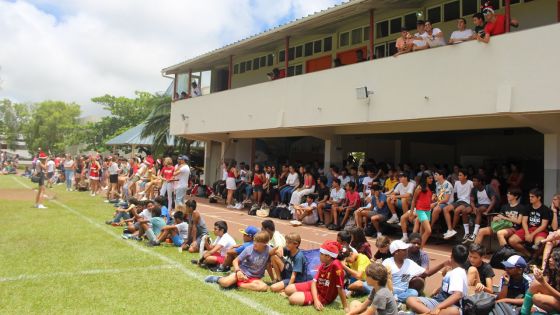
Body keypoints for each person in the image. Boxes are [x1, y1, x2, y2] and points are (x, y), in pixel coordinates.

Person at [284, 241, 348, 312]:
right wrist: (315, 299)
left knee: (292, 299)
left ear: (328, 257)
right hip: (316, 286)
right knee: (288, 289)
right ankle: (308, 294)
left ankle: (308, 294)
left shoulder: (336, 266)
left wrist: (345, 307)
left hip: (323, 295)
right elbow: (314, 282)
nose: (319, 255)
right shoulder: (324, 264)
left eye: (321, 254)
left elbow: (340, 288)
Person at [406, 245, 469, 315]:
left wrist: (438, 307)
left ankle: (424, 313)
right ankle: (430, 313)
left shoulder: (458, 272)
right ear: (466, 259)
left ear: (451, 256)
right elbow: (447, 288)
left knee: (454, 312)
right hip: (438, 301)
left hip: (451, 306)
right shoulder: (453, 271)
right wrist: (436, 292)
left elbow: (457, 295)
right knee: (410, 300)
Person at [206, 231, 274, 292]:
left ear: (265, 243)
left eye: (258, 242)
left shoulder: (269, 250)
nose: (254, 243)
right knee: (225, 283)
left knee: (264, 287)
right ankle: (217, 279)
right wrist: (238, 271)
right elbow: (235, 261)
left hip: (254, 278)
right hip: (242, 273)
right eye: (254, 241)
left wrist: (273, 280)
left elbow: (269, 264)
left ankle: (239, 285)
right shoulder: (249, 249)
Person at [508, 188, 551, 258]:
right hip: (528, 229)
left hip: (540, 230)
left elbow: (543, 226)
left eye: (532, 197)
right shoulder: (527, 207)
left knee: (539, 243)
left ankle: (535, 257)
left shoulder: (545, 209)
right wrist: (527, 233)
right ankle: (529, 255)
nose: (530, 198)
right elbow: (524, 222)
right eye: (529, 196)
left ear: (539, 198)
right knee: (512, 240)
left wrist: (532, 235)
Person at [521, 248, 560, 315]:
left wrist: (543, 282)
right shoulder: (554, 272)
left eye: (554, 259)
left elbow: (544, 284)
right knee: (536, 284)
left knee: (538, 298)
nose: (550, 260)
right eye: (550, 257)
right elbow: (542, 282)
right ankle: (524, 313)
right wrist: (539, 275)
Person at [401, 171, 434, 246]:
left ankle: (416, 247)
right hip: (421, 210)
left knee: (422, 231)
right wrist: (412, 213)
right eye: (430, 178)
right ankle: (419, 248)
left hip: (427, 210)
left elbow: (428, 200)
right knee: (428, 231)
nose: (431, 179)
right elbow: (413, 201)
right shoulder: (419, 188)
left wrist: (434, 199)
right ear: (425, 179)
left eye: (432, 178)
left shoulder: (429, 187)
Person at [465, 175, 498, 243]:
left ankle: (474, 234)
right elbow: (471, 200)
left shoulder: (488, 187)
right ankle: (467, 233)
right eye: (473, 180)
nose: (473, 182)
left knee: (479, 210)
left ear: (480, 182)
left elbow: (493, 200)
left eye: (475, 181)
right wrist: (473, 207)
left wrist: (487, 211)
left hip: (488, 205)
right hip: (478, 205)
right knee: (465, 210)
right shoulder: (474, 189)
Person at [442, 169, 473, 240]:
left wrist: (472, 205)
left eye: (460, 175)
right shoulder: (457, 183)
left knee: (457, 210)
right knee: (445, 209)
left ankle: (452, 229)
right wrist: (451, 202)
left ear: (465, 176)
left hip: (466, 202)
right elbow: (454, 193)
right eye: (458, 175)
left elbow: (474, 193)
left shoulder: (470, 183)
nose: (459, 176)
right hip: (458, 201)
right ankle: (450, 229)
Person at [540, 193, 560, 270]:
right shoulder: (553, 210)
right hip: (555, 236)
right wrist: (554, 212)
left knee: (556, 233)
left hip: (557, 235)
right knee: (549, 243)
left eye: (555, 199)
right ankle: (543, 268)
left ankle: (543, 241)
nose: (553, 201)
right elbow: (554, 227)